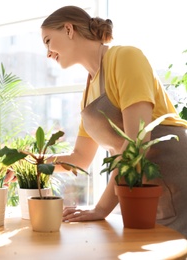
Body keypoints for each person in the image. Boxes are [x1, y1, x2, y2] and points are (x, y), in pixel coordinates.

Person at [39, 5, 187, 237]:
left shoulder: (126, 57)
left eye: (48, 41)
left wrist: (101, 209)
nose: (47, 52)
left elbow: (138, 142)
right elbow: (80, 158)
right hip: (138, 193)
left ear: (68, 29)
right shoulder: (88, 91)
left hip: (175, 182)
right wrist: (28, 163)